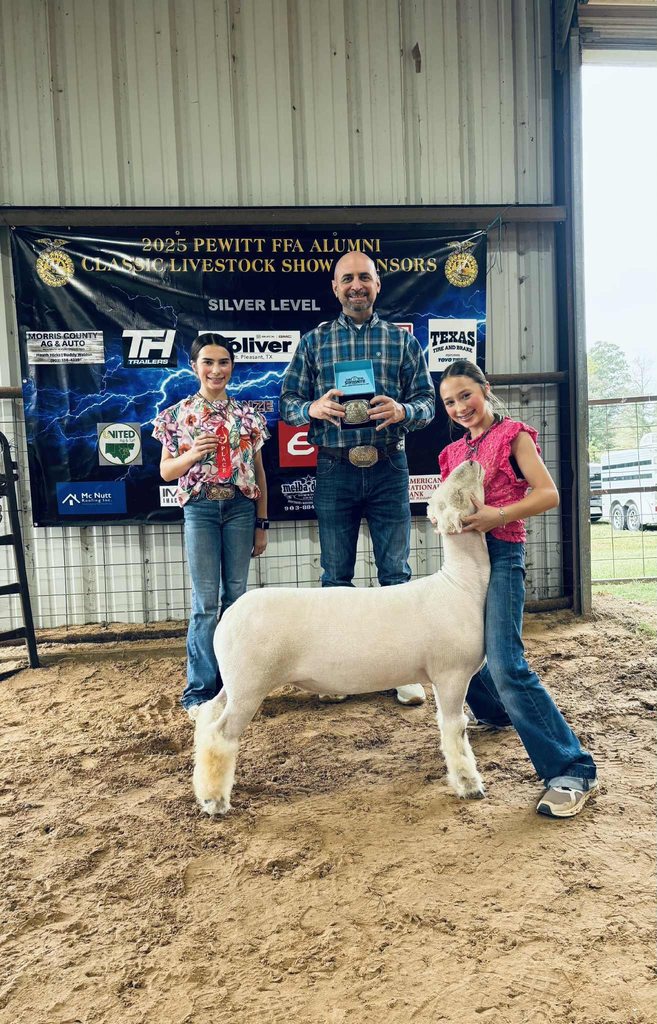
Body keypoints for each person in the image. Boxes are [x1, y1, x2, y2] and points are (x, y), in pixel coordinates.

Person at [437, 359, 598, 818]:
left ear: (485, 389)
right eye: (450, 401)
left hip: (502, 556)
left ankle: (571, 769)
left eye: (466, 395)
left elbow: (549, 494)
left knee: (507, 663)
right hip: (462, 563)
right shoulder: (451, 456)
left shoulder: (513, 435)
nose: (460, 407)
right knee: (456, 652)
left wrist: (498, 516)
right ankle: (501, 712)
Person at [280, 251, 435, 706]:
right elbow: (288, 400)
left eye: (364, 277)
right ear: (335, 287)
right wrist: (311, 408)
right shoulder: (313, 343)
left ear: (377, 284)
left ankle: (403, 671)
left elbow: (427, 402)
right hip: (334, 466)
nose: (356, 286)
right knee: (335, 577)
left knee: (397, 575)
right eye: (347, 278)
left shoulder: (403, 343)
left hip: (389, 465)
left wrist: (405, 410)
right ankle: (338, 674)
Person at [153, 333, 269, 721]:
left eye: (223, 362)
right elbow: (167, 472)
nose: (216, 369)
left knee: (236, 599)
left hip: (239, 508)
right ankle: (199, 691)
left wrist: (261, 523)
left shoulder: (248, 416)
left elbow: (259, 473)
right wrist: (191, 453)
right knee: (205, 603)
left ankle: (235, 685)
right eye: (208, 362)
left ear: (232, 367)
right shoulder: (175, 415)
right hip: (200, 509)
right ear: (194, 366)